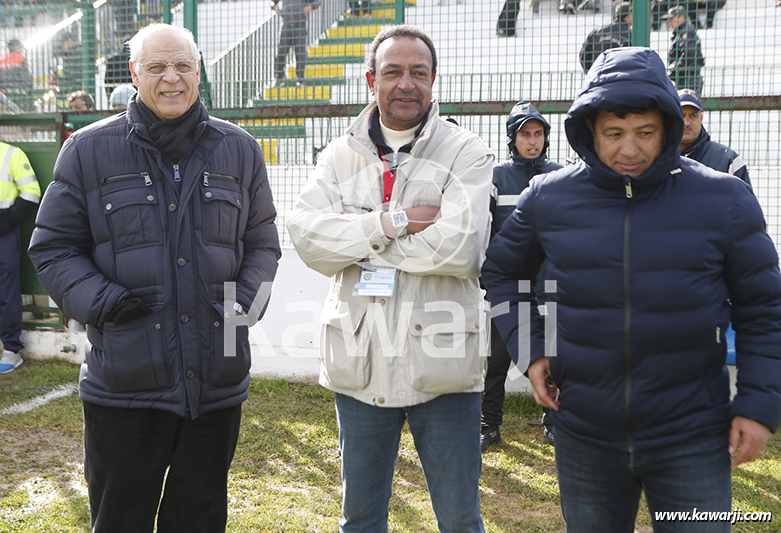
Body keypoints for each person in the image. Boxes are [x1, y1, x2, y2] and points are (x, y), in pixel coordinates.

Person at [481, 46, 781, 532]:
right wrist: (533, 351)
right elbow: (500, 274)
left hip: (693, 437)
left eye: (645, 132)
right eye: (614, 133)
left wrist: (758, 403)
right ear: (588, 132)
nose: (629, 149)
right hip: (583, 436)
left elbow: (764, 307)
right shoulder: (549, 197)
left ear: (666, 127)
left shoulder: (724, 197)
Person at [28, 24, 281, 533]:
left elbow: (262, 245)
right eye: (158, 67)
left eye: (183, 65)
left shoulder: (241, 149)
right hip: (123, 387)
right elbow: (53, 247)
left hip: (216, 385)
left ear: (199, 70)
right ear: (135, 73)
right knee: (120, 520)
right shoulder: (86, 150)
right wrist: (106, 305)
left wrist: (241, 307)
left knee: (200, 519)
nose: (172, 78)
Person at [287, 25, 494, 533]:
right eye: (393, 72)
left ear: (433, 80)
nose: (406, 84)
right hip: (361, 363)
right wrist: (392, 223)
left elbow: (462, 248)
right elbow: (308, 239)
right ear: (370, 79)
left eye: (418, 73)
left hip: (443, 365)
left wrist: (355, 242)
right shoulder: (339, 156)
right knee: (360, 520)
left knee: (460, 520)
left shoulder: (466, 152)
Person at [481, 101, 562, 451]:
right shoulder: (496, 177)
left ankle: (556, 422)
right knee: (496, 359)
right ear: (512, 139)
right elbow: (484, 230)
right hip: (510, 289)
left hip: (553, 286)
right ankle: (488, 424)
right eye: (525, 134)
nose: (533, 141)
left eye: (538, 133)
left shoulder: (559, 175)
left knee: (557, 356)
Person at [0, 142, 40, 374]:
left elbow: (31, 193)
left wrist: (6, 222)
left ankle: (11, 350)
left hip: (4, 231)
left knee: (6, 291)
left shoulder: (11, 153)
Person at [677, 88, 750, 185]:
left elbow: (744, 199)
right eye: (681, 115)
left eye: (693, 116)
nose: (686, 122)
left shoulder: (728, 160)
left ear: (701, 118)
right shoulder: (656, 157)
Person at [272, 0, 320, 86]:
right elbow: (272, 2)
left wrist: (307, 8)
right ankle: (280, 78)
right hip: (286, 25)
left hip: (300, 25)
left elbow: (317, 2)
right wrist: (278, 10)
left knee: (300, 53)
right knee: (281, 52)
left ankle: (300, 79)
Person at [579, 2, 632, 73]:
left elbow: (584, 56)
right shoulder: (630, 35)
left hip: (598, 77)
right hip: (617, 78)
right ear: (628, 16)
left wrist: (592, 73)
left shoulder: (598, 32)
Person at [667, 5, 704, 94]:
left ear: (682, 17)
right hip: (687, 79)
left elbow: (690, 54)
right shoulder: (682, 32)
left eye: (672, 19)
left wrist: (676, 70)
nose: (669, 23)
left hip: (688, 80)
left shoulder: (685, 32)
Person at [0, 39, 33, 110]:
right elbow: (26, 76)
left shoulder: (2, 58)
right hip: (19, 93)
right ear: (16, 47)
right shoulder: (21, 57)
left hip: (4, 93)